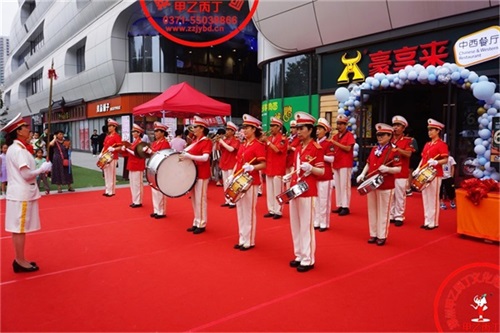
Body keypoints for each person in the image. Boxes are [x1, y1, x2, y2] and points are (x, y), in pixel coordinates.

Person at [1, 113, 52, 273]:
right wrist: (41, 169)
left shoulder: (15, 149)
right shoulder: (19, 150)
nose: (29, 130)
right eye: (25, 128)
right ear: (18, 131)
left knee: (19, 228)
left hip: (18, 193)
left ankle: (20, 259)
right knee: (19, 229)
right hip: (21, 194)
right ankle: (20, 260)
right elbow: (26, 174)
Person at [283, 111, 324, 272]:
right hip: (295, 189)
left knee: (306, 225)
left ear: (310, 129)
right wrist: (290, 175)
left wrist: (311, 168)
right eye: (297, 128)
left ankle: (308, 258)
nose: (298, 131)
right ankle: (299, 254)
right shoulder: (298, 148)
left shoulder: (316, 148)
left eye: (301, 128)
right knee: (295, 224)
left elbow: (321, 172)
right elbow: (297, 168)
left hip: (308, 190)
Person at [356, 123, 402, 246]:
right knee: (372, 210)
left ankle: (382, 235)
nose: (379, 137)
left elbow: (398, 169)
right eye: (378, 135)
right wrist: (362, 174)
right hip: (372, 183)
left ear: (389, 135)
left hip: (385, 184)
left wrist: (388, 169)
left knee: (383, 211)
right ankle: (373, 233)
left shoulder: (394, 150)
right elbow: (368, 163)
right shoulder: (374, 149)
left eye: (382, 135)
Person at [229, 114, 266, 250]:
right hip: (240, 180)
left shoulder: (258, 145)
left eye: (247, 127)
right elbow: (238, 161)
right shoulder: (243, 144)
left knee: (249, 211)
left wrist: (252, 167)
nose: (244, 130)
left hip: (251, 181)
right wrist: (233, 175)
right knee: (240, 210)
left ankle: (249, 240)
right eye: (243, 127)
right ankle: (242, 238)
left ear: (254, 129)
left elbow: (263, 164)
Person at [413, 118, 449, 230]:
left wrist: (436, 162)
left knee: (433, 197)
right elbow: (423, 158)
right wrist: (418, 168)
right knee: (425, 197)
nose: (429, 132)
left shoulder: (442, 144)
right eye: (429, 130)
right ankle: (427, 220)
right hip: (424, 172)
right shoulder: (427, 144)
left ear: (438, 131)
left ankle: (433, 222)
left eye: (432, 130)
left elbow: (445, 159)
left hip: (435, 173)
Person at [179, 116, 212, 234]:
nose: (193, 129)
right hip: (193, 173)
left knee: (201, 199)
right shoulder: (195, 141)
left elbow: (205, 158)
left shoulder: (206, 141)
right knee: (194, 199)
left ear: (202, 128)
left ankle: (202, 223)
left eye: (196, 127)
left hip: (202, 173)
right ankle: (196, 221)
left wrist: (189, 156)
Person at [389, 116, 415, 227]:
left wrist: (398, 149)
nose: (395, 128)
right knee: (390, 195)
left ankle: (399, 216)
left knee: (400, 195)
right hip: (390, 171)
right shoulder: (389, 139)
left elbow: (409, 154)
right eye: (394, 125)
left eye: (398, 126)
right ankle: (391, 214)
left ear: (403, 128)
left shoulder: (408, 141)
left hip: (401, 172)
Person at [261, 117, 288, 219]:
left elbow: (277, 150)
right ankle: (271, 209)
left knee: (278, 191)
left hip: (278, 168)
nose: (271, 128)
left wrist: (267, 142)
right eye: (270, 126)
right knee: (270, 191)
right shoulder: (269, 138)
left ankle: (278, 211)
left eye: (273, 126)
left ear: (278, 127)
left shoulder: (283, 139)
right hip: (269, 167)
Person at [145, 122, 171, 219]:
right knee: (154, 189)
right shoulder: (155, 143)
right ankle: (156, 210)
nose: (155, 133)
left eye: (157, 131)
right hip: (153, 167)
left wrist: (152, 152)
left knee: (160, 190)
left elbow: (163, 155)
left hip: (161, 168)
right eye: (155, 131)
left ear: (163, 133)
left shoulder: (165, 143)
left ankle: (161, 211)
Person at [331, 114, 355, 216]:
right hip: (336, 162)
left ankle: (346, 206)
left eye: (341, 124)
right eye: (338, 123)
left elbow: (348, 148)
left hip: (345, 163)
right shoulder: (335, 136)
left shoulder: (349, 135)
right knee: (338, 185)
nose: (339, 126)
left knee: (344, 185)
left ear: (345, 125)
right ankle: (340, 204)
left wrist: (335, 143)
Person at [313, 117, 335, 231]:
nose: (317, 131)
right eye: (317, 128)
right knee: (316, 200)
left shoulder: (328, 143)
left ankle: (324, 222)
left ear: (325, 130)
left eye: (320, 128)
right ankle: (316, 221)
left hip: (325, 175)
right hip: (315, 175)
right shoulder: (314, 143)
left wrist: (319, 156)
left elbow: (331, 158)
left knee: (324, 201)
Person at [120, 124, 146, 208]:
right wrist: (125, 148)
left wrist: (127, 148)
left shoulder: (141, 143)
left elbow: (137, 154)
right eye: (133, 131)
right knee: (133, 184)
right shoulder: (135, 142)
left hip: (137, 165)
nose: (133, 133)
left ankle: (138, 201)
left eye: (134, 131)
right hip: (132, 164)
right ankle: (135, 200)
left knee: (137, 184)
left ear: (139, 133)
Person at [217, 121, 240, 208]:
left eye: (229, 130)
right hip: (224, 162)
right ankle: (227, 200)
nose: (226, 131)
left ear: (233, 132)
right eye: (226, 129)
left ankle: (233, 201)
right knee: (226, 183)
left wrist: (222, 142)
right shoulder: (225, 140)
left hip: (232, 163)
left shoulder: (236, 140)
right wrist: (221, 142)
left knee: (232, 183)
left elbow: (231, 149)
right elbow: (221, 149)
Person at [100, 119, 122, 197]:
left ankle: (111, 191)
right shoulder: (107, 136)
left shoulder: (117, 136)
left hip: (112, 156)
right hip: (106, 156)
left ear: (114, 127)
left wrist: (114, 149)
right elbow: (104, 146)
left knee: (111, 174)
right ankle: (107, 189)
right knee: (106, 174)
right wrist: (101, 153)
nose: (109, 128)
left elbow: (120, 146)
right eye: (108, 126)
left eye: (110, 126)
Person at [286, 120, 300, 190]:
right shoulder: (288, 138)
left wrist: (291, 148)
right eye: (291, 128)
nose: (292, 129)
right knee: (287, 179)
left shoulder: (299, 138)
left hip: (293, 161)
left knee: (293, 179)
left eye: (294, 128)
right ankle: (288, 195)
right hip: (287, 161)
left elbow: (299, 150)